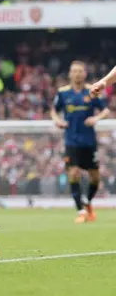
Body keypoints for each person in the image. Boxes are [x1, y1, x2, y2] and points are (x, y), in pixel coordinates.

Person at [51, 61, 110, 223]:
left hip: (89, 141)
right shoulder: (63, 93)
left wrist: (95, 118)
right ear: (70, 74)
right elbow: (53, 111)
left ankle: (87, 201)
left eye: (80, 71)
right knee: (74, 173)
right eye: (74, 71)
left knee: (95, 178)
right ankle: (81, 212)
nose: (77, 74)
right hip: (71, 141)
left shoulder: (92, 91)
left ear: (84, 74)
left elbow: (105, 109)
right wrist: (58, 121)